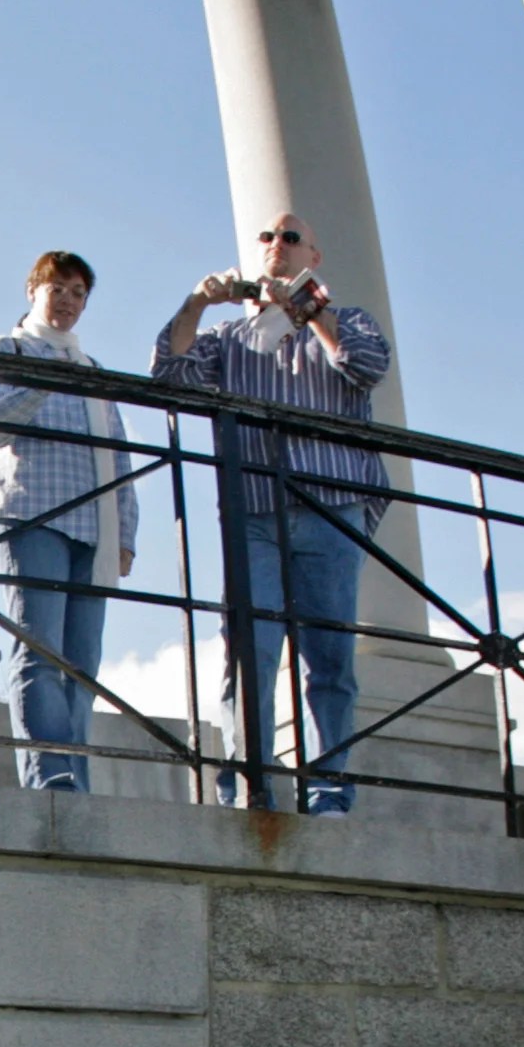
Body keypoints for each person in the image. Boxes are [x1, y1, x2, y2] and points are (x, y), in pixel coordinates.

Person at [153, 212, 393, 814]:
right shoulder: (230, 338)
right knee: (248, 654)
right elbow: (169, 374)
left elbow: (365, 366)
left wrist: (309, 311)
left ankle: (330, 790)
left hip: (332, 509)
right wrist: (196, 303)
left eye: (290, 238)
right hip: (254, 514)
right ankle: (248, 788)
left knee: (330, 659)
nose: (276, 246)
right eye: (267, 238)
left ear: (312, 252)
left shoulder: (348, 320)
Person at [0, 250, 140, 791]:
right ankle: (50, 776)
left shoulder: (92, 371)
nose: (67, 301)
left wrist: (127, 536)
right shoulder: (9, 348)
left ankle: (76, 779)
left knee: (81, 665)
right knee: (39, 651)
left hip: (95, 529)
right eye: (57, 289)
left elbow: (118, 456)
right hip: (32, 515)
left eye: (78, 292)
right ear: (33, 290)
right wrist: (44, 380)